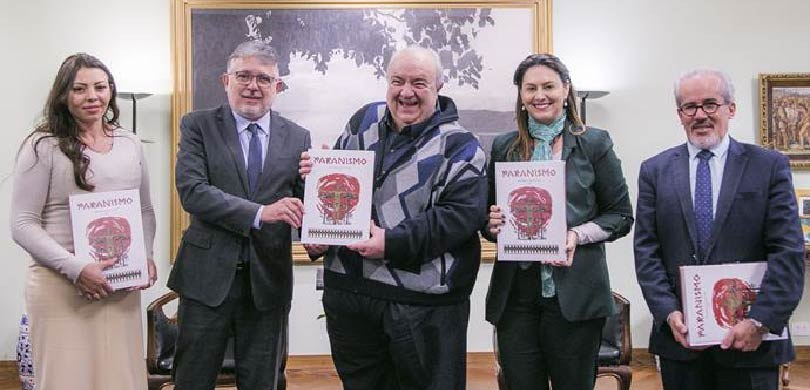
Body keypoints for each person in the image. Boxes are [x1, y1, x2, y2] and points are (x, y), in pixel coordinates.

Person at [300, 47, 487, 390]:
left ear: (439, 86)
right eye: (397, 81)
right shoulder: (362, 122)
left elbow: (458, 218)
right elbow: (339, 193)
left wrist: (389, 242)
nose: (406, 92)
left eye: (419, 83)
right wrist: (316, 185)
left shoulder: (462, 145)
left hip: (423, 303)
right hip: (350, 294)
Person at [634, 69, 805, 390]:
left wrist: (760, 321)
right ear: (679, 114)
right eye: (690, 107)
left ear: (731, 108)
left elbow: (788, 251)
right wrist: (668, 313)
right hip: (681, 342)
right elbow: (647, 252)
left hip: (751, 343)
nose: (700, 115)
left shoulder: (768, 166)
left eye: (710, 104)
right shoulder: (654, 171)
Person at [483, 53, 633, 389]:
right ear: (521, 96)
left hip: (575, 296)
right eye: (531, 88)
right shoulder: (504, 147)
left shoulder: (594, 143)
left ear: (566, 90)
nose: (540, 95)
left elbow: (621, 216)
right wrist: (491, 223)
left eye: (549, 86)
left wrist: (576, 235)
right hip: (516, 298)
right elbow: (488, 219)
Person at [168, 40, 311, 389]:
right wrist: (261, 213)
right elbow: (193, 192)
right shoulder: (198, 126)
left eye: (263, 79)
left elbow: (305, 209)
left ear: (277, 87)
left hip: (268, 282)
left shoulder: (298, 137)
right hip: (206, 280)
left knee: (263, 381)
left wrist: (318, 180)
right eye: (243, 75)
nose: (253, 86)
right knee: (192, 379)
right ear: (225, 80)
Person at [10, 53, 157, 389]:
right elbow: (22, 223)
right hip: (60, 288)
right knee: (66, 379)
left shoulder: (130, 143)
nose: (93, 96)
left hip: (119, 290)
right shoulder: (41, 146)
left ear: (111, 91)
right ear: (63, 95)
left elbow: (144, 210)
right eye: (80, 89)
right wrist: (77, 269)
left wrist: (145, 256)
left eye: (100, 87)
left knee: (120, 379)